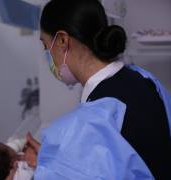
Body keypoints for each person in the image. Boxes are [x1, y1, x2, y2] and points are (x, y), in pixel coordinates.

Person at [25, 0, 171, 179]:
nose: (47, 54)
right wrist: (57, 160)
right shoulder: (145, 80)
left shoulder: (92, 121)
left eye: (46, 45)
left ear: (63, 40)